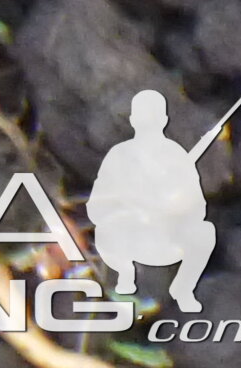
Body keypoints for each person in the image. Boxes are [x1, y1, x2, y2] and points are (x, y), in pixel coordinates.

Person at [90, 91, 217, 312]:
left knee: (203, 233)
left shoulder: (175, 156)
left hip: (165, 237)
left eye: (154, 116)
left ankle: (183, 289)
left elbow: (198, 207)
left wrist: (175, 202)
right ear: (133, 120)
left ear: (164, 120)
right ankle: (124, 282)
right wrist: (131, 207)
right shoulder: (120, 155)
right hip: (129, 238)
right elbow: (97, 207)